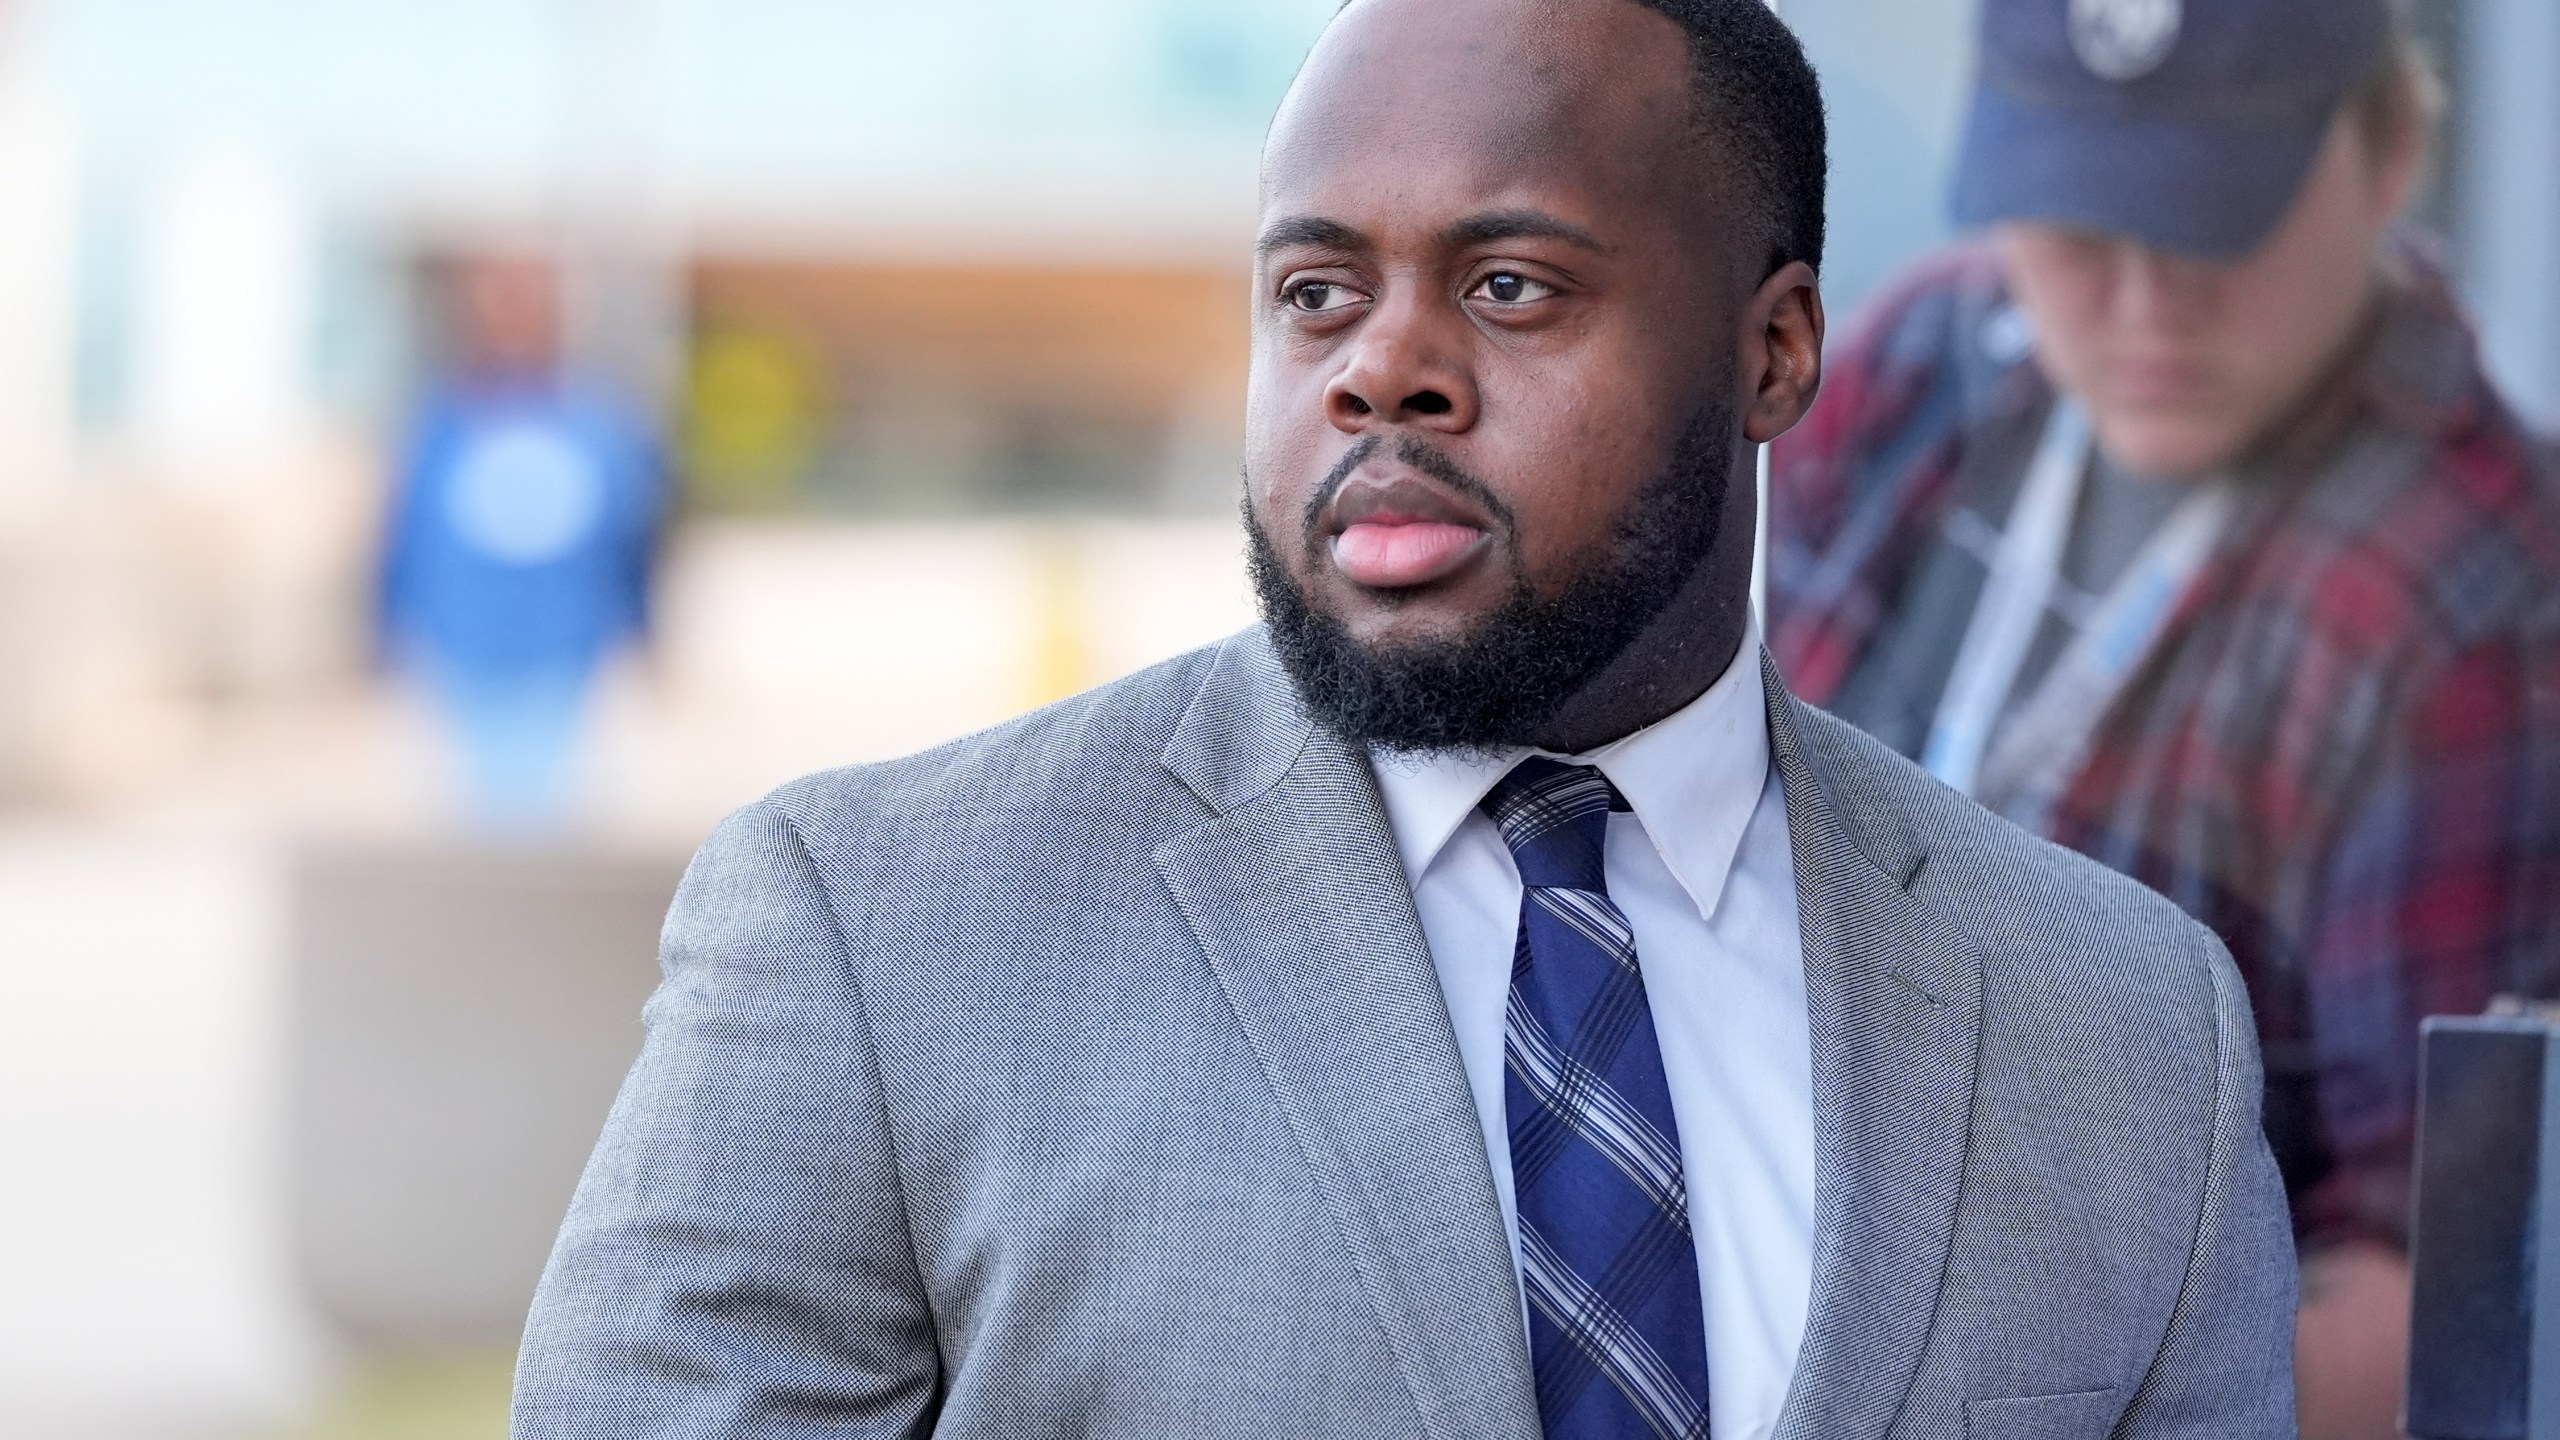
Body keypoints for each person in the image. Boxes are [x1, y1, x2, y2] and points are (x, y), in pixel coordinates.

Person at [516, 0, 2296, 1434]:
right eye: (1316, 296)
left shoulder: (2129, 1036)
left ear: (1775, 352)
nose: (1384, 366)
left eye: (1512, 284)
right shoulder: (872, 934)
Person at [1764, 0, 2560, 1435]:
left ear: (2389, 154)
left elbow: (2435, 1280)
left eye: (2212, 225)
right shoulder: (1914, 363)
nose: (2142, 306)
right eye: (2077, 218)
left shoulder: (2474, 600)